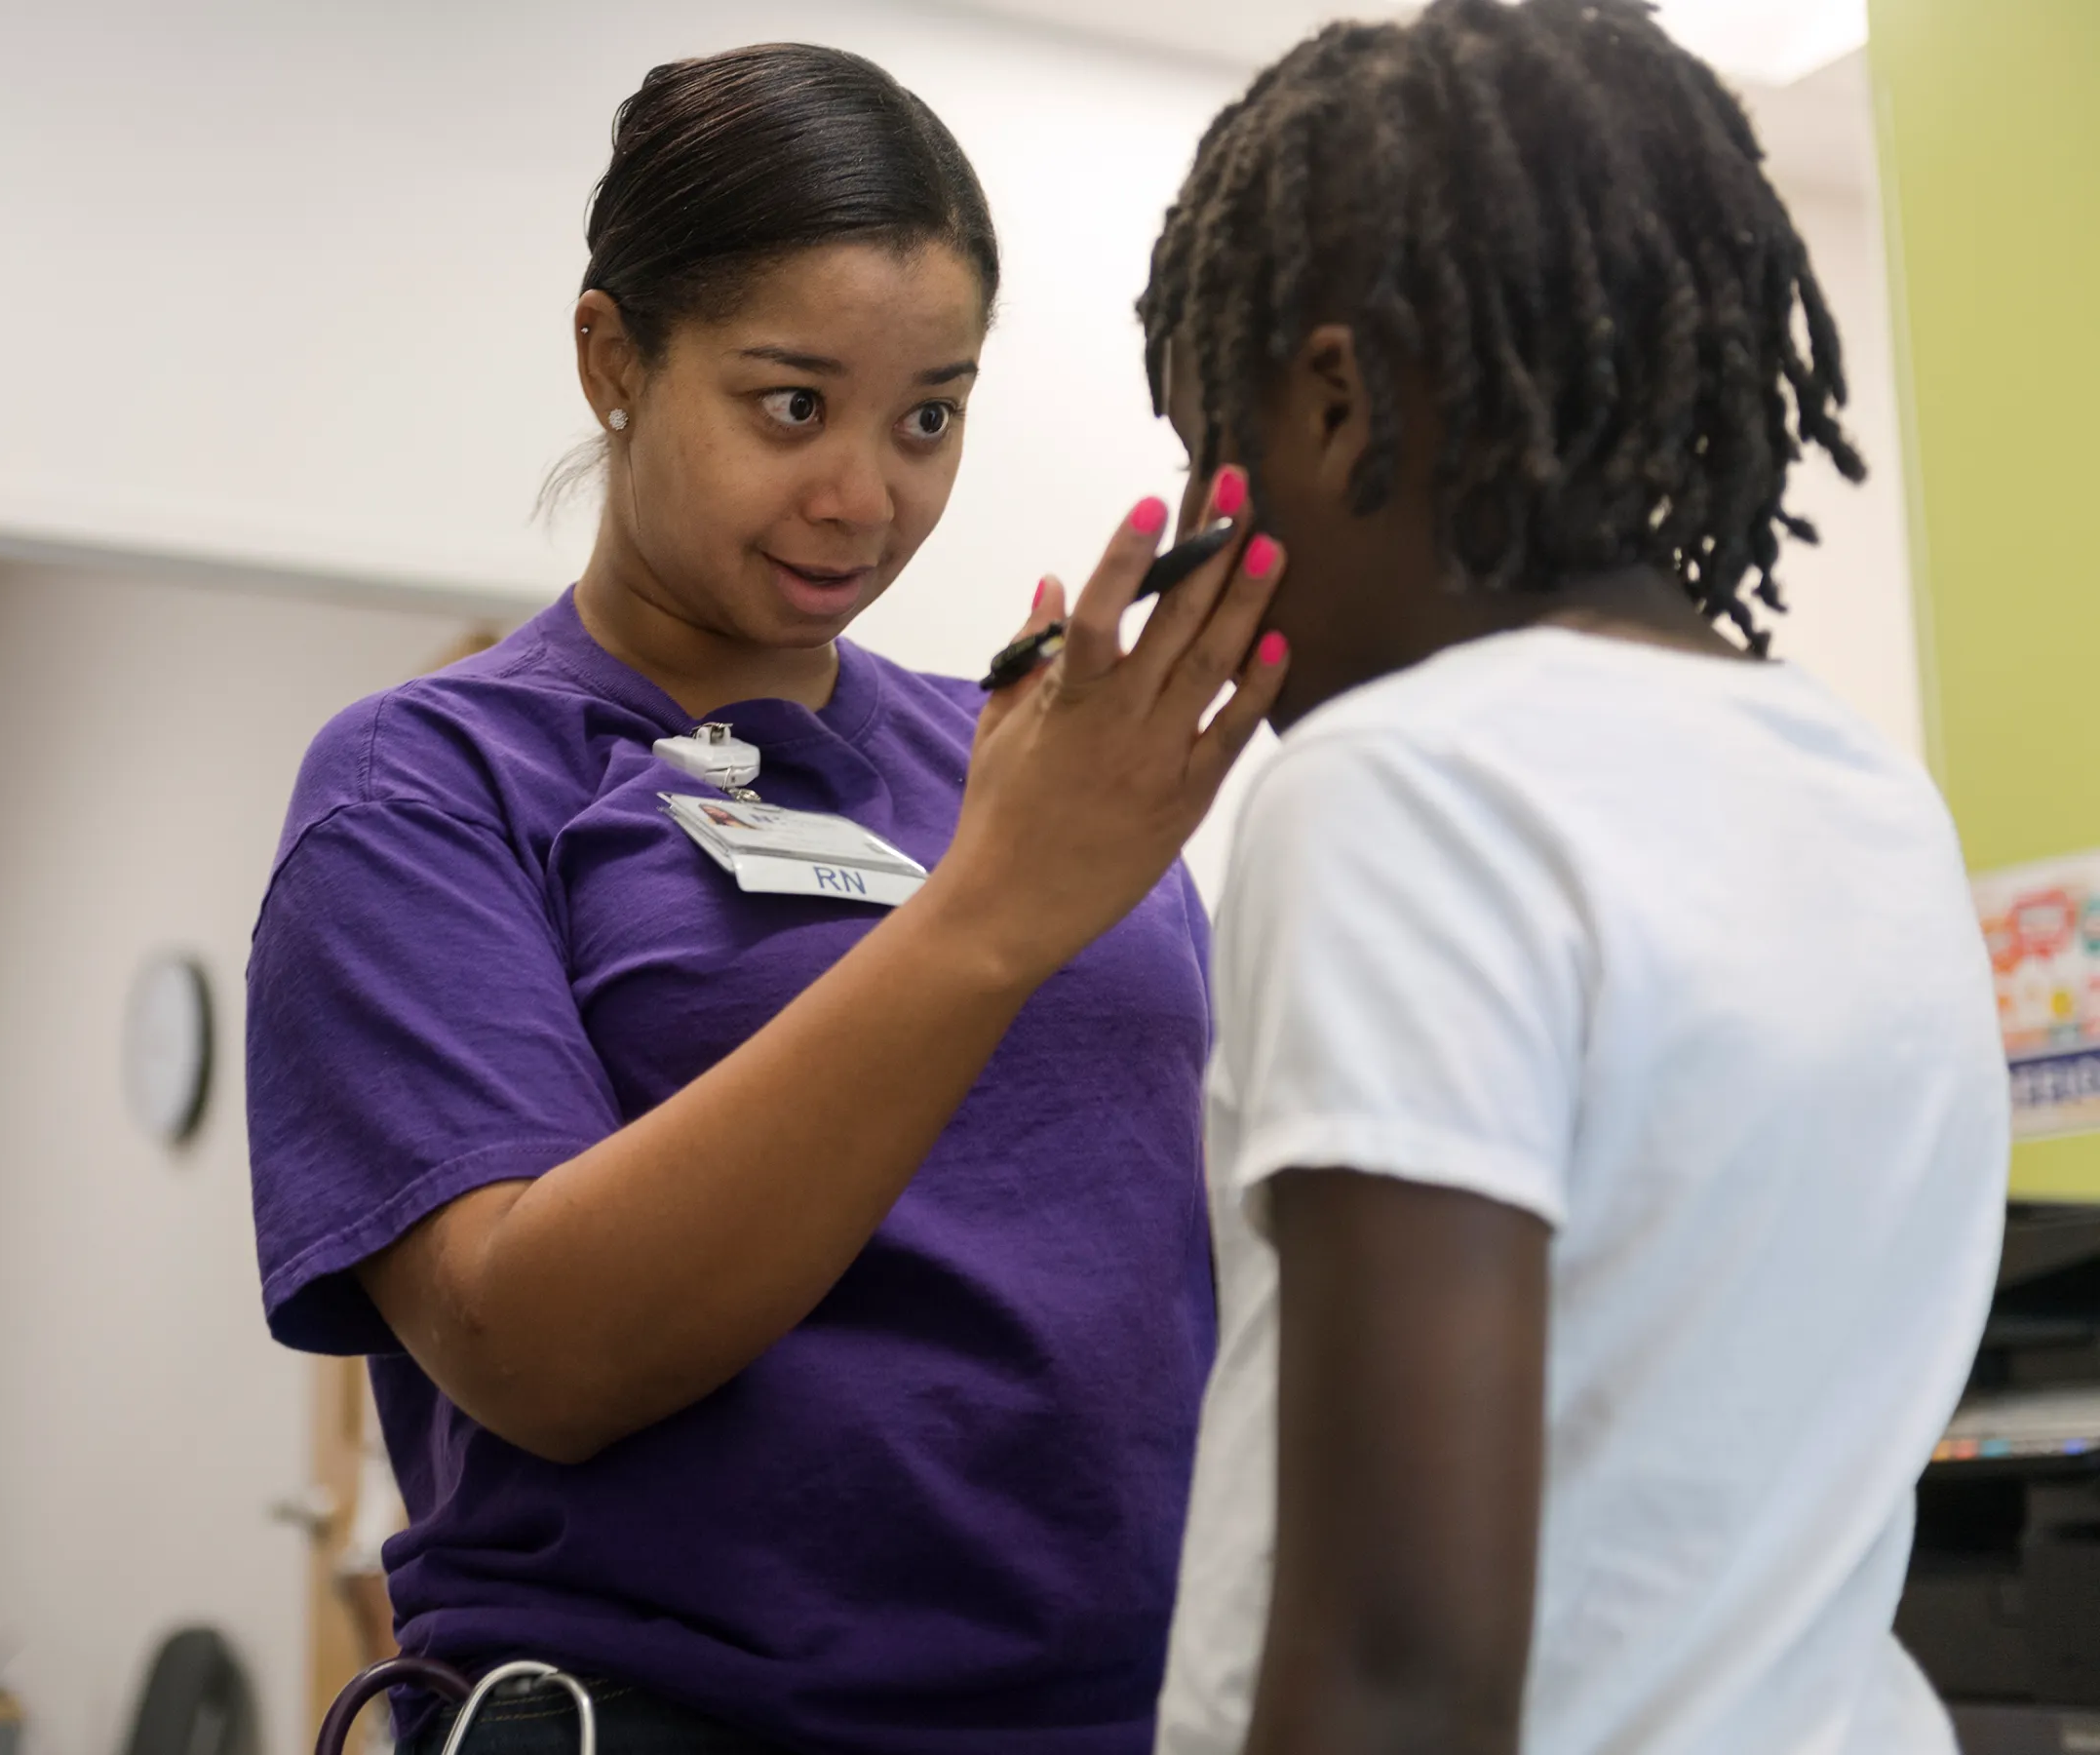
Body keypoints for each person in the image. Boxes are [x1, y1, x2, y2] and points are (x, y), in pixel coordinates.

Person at [246, 42, 1287, 1755]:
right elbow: (537, 1350)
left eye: (929, 416)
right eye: (791, 404)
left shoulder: (1015, 764)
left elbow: (1216, 1259)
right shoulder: (430, 790)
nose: (864, 497)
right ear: (615, 359)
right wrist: (981, 921)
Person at [1131, 4, 2009, 1752]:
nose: (1195, 546)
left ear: (1335, 401)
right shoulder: (1873, 797)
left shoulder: (1401, 790)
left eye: (1203, 453)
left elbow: (1399, 1664)